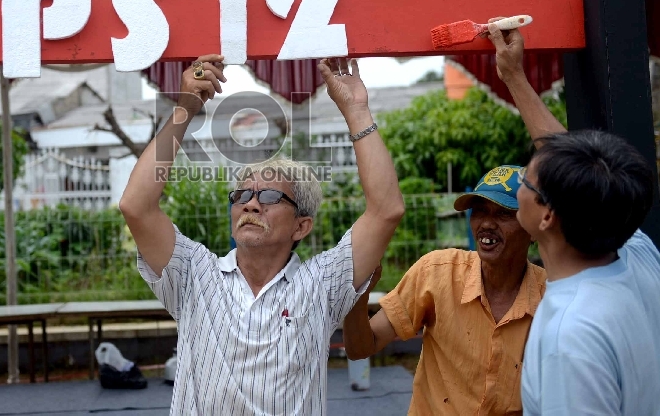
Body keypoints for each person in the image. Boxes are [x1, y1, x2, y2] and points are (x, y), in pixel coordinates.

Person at [118, 54, 405, 415]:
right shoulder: (194, 274)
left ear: (301, 226)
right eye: (242, 196)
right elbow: (136, 206)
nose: (251, 205)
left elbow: (386, 210)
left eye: (269, 197)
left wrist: (357, 111)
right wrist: (185, 108)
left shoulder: (321, 285)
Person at [487, 20, 660, 415]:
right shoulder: (635, 251)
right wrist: (514, 76)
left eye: (525, 182)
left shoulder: (570, 336)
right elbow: (571, 159)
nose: (516, 190)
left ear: (547, 215)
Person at [342, 163, 546, 415]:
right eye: (479, 211)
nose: (486, 224)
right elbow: (361, 347)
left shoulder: (551, 298)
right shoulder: (436, 272)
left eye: (503, 213)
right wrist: (356, 296)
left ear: (534, 228)